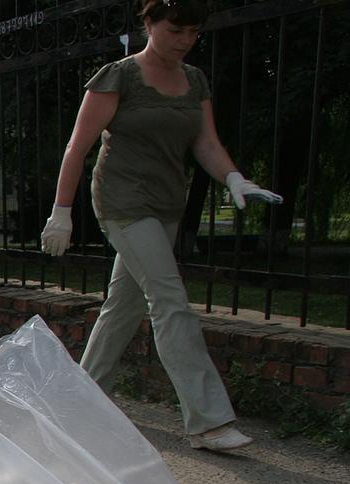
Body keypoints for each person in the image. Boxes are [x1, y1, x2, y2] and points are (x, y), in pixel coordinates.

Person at [41, 0, 282, 452]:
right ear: (149, 23)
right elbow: (78, 148)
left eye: (193, 32)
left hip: (166, 203)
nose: (186, 40)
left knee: (124, 306)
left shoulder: (194, 80)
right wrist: (62, 211)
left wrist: (233, 177)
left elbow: (206, 142)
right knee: (169, 298)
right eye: (176, 30)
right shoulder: (119, 76)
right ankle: (209, 423)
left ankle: (79, 400)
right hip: (122, 202)